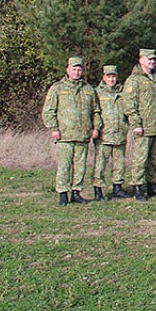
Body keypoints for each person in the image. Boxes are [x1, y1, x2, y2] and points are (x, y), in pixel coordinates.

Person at [43, 56, 101, 205]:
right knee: (64, 166)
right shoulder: (57, 88)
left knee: (80, 167)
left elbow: (95, 111)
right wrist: (53, 128)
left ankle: (76, 192)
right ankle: (63, 193)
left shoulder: (89, 89)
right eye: (73, 69)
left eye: (79, 69)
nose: (76, 72)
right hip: (64, 135)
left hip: (83, 135)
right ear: (67, 70)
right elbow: (48, 111)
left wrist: (96, 127)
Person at [124, 48, 156, 201]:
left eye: (154, 59)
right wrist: (136, 124)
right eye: (149, 59)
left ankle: (152, 185)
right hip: (142, 127)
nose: (152, 62)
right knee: (140, 159)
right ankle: (137, 186)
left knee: (154, 158)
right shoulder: (134, 80)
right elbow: (130, 105)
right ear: (141, 60)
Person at [92, 65, 131, 200]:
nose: (112, 79)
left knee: (119, 163)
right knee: (100, 164)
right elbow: (94, 112)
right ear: (104, 77)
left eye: (114, 76)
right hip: (104, 134)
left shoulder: (123, 93)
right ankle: (98, 189)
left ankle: (117, 188)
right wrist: (96, 128)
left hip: (120, 133)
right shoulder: (97, 93)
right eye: (109, 76)